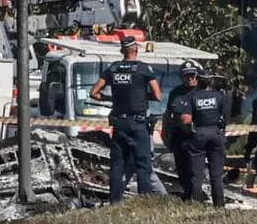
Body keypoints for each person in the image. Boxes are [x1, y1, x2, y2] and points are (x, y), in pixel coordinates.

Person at [90, 36, 161, 203]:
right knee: (143, 164)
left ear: (123, 51)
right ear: (135, 50)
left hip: (119, 124)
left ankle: (114, 202)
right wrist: (142, 96)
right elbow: (158, 95)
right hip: (137, 123)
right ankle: (145, 201)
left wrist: (110, 98)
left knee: (117, 165)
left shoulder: (113, 68)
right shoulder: (143, 68)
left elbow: (94, 93)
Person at [181, 69, 228, 207]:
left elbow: (185, 119)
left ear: (198, 80)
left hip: (199, 133)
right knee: (217, 174)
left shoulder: (192, 96)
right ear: (211, 81)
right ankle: (219, 205)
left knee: (197, 174)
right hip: (216, 133)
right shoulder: (220, 96)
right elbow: (225, 117)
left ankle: (196, 204)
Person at [163, 60, 202, 198]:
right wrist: (164, 132)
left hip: (196, 137)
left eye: (192, 75)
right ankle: (187, 195)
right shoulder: (176, 92)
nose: (189, 78)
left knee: (195, 170)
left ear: (197, 76)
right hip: (179, 136)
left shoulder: (203, 91)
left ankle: (196, 197)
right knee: (181, 169)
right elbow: (168, 114)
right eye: (186, 75)